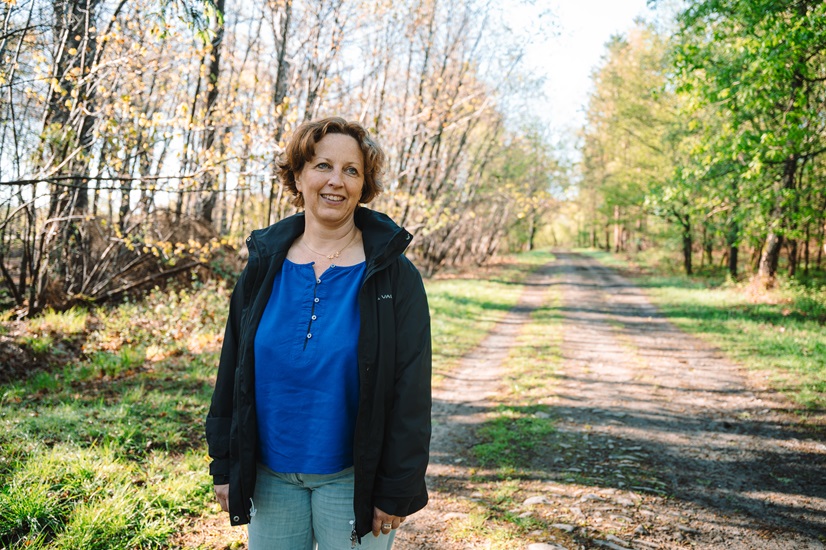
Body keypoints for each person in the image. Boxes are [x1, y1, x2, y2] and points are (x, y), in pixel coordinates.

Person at [205, 116, 432, 549]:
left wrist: (396, 487)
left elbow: (411, 391)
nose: (336, 181)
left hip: (354, 480)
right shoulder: (263, 264)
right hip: (269, 478)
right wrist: (225, 463)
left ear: (364, 186)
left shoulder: (393, 276)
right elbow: (232, 368)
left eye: (351, 170)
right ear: (298, 176)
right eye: (322, 165)